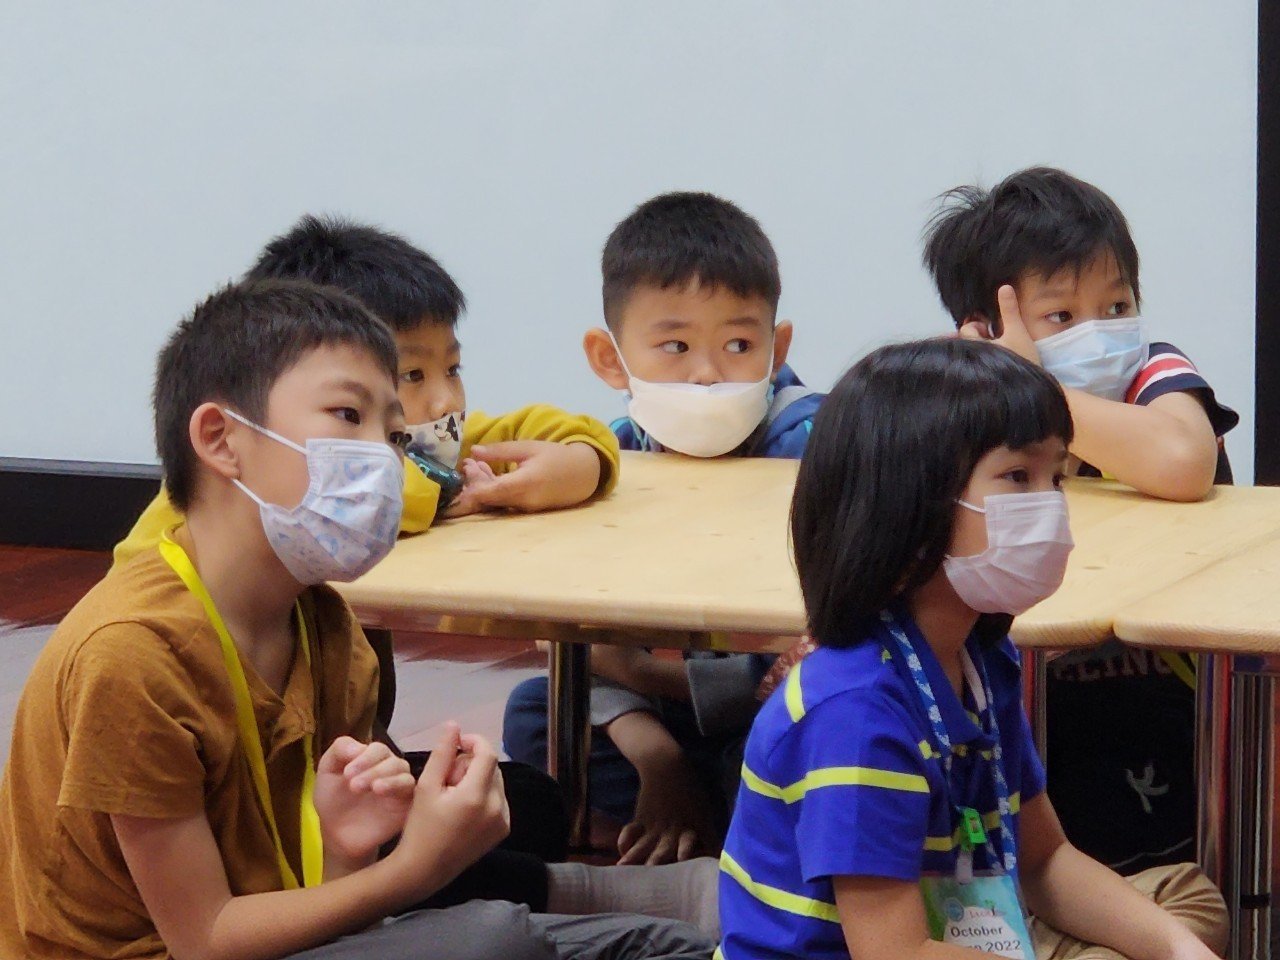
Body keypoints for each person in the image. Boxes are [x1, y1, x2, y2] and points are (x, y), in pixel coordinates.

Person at [0, 280, 714, 960]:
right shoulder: (131, 656)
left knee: (651, 935)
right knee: (492, 939)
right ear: (220, 438)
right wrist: (415, 867)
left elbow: (325, 902)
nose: (380, 456)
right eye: (348, 417)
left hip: (284, 932)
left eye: (394, 436)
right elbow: (205, 940)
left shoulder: (324, 623)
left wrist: (352, 845)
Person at [718, 337, 1227, 960]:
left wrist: (1179, 951)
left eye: (1056, 477)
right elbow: (897, 954)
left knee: (1185, 903)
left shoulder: (982, 659)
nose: (1050, 504)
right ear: (908, 504)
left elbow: (1044, 861)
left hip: (966, 930)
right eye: (1018, 477)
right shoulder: (854, 713)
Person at [922, 167, 1239, 873]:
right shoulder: (956, 404)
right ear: (986, 330)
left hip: (1160, 691)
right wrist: (1000, 387)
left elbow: (1183, 461)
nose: (1100, 335)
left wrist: (1034, 388)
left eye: (1117, 305)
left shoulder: (1152, 372)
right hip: (1019, 695)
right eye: (1062, 317)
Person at [505, 192, 822, 865]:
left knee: (794, 749)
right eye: (675, 346)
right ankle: (688, 799)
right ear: (609, 358)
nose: (706, 373)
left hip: (775, 705)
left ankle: (707, 819)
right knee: (535, 712)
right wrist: (659, 759)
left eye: (739, 345)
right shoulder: (607, 458)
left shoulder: (814, 447)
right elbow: (574, 644)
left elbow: (807, 661)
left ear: (778, 348)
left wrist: (639, 673)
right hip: (671, 714)